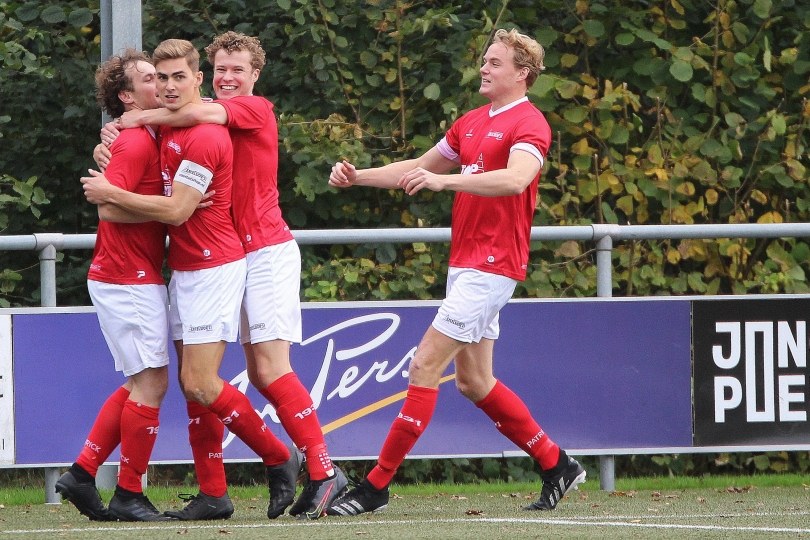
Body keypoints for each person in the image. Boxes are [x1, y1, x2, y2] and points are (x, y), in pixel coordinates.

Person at [325, 28, 586, 516]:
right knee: (474, 381)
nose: (484, 68)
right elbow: (418, 167)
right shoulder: (469, 122)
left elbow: (515, 179)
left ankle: (376, 485)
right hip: (466, 263)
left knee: (424, 364)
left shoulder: (530, 123)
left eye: (495, 62)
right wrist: (359, 176)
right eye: (485, 60)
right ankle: (556, 464)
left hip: (493, 265)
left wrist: (444, 182)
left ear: (522, 73)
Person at [103, 31, 347, 520]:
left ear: (256, 75)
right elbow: (172, 130)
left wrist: (137, 114)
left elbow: (201, 113)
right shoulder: (194, 112)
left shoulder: (253, 109)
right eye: (222, 69)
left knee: (268, 370)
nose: (229, 77)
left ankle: (323, 471)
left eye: (238, 69)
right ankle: (217, 489)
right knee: (206, 376)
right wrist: (112, 141)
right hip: (226, 255)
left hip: (267, 252)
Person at [55, 49, 173, 522]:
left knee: (138, 382)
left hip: (128, 274)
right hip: (127, 276)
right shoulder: (136, 142)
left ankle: (81, 474)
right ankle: (128, 493)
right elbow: (107, 207)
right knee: (152, 383)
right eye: (149, 78)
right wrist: (174, 207)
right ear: (127, 96)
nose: (161, 83)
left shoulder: (142, 134)